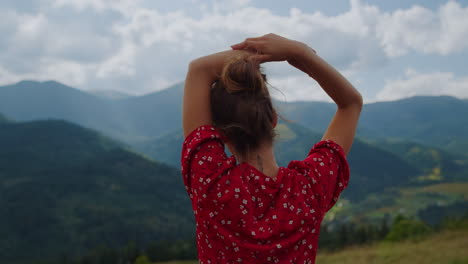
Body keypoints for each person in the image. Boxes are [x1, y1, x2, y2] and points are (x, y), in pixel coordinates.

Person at [181, 33, 363, 264]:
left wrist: (258, 55)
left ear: (218, 133)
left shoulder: (210, 183)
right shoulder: (309, 189)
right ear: (274, 119)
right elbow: (351, 104)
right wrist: (298, 52)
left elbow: (199, 69)